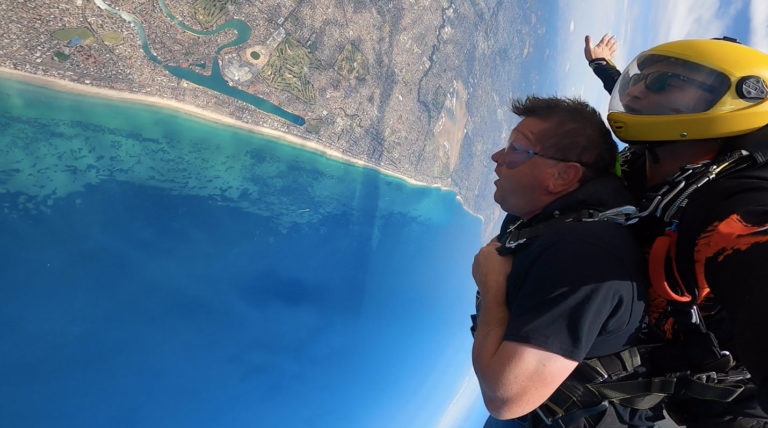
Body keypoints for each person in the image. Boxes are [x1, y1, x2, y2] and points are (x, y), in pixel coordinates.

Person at [584, 35, 768, 426]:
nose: (635, 90)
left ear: (730, 102)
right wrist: (604, 68)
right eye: (637, 78)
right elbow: (646, 99)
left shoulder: (736, 210)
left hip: (727, 410)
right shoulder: (663, 146)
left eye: (662, 81)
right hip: (633, 367)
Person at [471, 96, 663, 427]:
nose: (498, 157)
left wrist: (493, 288)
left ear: (562, 176)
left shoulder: (583, 258)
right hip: (545, 407)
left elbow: (505, 397)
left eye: (517, 149)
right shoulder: (543, 221)